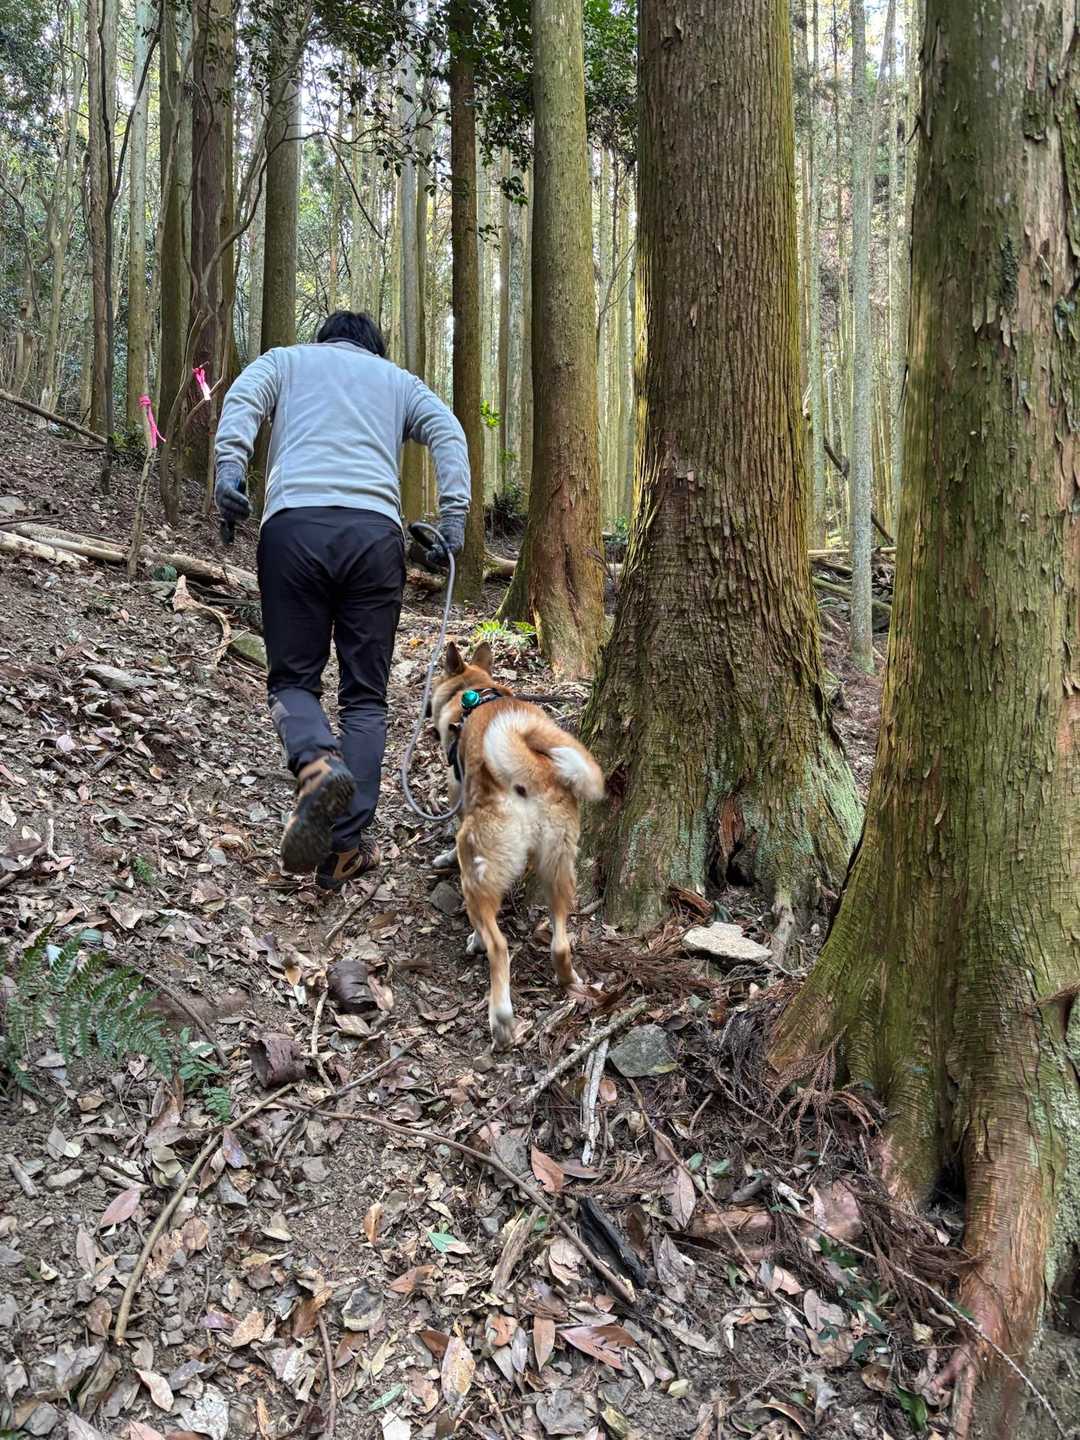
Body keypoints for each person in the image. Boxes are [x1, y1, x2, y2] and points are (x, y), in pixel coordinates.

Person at [213, 310, 469, 892]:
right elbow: (448, 431)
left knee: (292, 681)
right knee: (365, 698)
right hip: (374, 538)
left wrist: (230, 468)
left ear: (324, 340)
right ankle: (344, 850)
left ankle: (316, 762)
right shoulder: (398, 381)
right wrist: (452, 515)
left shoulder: (286, 361)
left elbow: (243, 399)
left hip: (293, 528)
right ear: (374, 349)